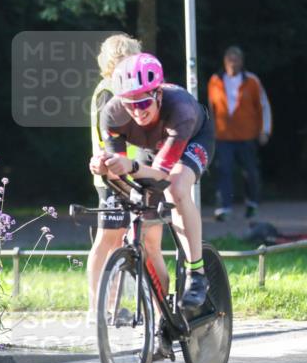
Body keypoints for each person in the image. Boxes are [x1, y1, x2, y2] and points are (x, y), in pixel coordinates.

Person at [89, 53, 214, 314]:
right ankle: (162, 321)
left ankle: (197, 273)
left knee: (177, 188)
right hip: (152, 148)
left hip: (192, 140)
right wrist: (102, 166)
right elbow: (118, 172)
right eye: (129, 104)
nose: (137, 111)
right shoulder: (112, 114)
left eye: (144, 102)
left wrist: (132, 166)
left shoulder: (181, 109)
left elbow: (163, 174)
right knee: (143, 237)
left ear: (158, 94)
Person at [86, 34, 141, 319]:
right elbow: (104, 135)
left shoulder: (119, 89)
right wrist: (113, 172)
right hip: (111, 176)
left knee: (119, 240)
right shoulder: (108, 91)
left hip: (126, 174)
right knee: (108, 238)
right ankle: (97, 307)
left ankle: (112, 306)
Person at [206, 45, 272, 221]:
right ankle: (224, 208)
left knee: (250, 172)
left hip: (247, 135)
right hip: (223, 136)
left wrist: (264, 130)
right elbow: (211, 108)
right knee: (224, 170)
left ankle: (252, 204)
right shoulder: (215, 80)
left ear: (242, 62)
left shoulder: (252, 81)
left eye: (236, 59)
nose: (233, 63)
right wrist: (210, 131)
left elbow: (263, 106)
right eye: (230, 59)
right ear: (225, 61)